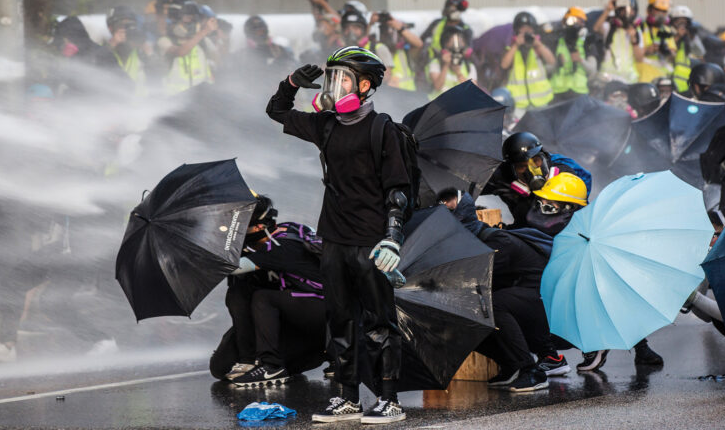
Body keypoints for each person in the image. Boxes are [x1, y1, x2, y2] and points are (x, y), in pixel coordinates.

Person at [266, 47, 409, 424]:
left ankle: (390, 399)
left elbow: (398, 189)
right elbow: (276, 111)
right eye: (332, 78)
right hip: (334, 239)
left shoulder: (383, 129)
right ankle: (348, 398)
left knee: (380, 323)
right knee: (341, 321)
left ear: (364, 85)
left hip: (371, 242)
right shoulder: (325, 124)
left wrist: (393, 236)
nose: (334, 85)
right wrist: (292, 84)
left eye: (341, 78)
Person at [526, 174, 665, 370]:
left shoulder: (589, 234)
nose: (544, 209)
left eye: (550, 205)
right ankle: (639, 351)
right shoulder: (569, 227)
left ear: (569, 208)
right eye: (543, 203)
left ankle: (597, 343)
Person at [437, 190, 565, 390]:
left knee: (491, 304)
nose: (445, 206)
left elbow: (480, 282)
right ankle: (512, 366)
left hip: (545, 300)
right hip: (524, 299)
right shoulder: (473, 242)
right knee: (466, 316)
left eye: (450, 202)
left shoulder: (496, 241)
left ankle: (531, 371)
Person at [219, 195, 327, 387]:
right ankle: (249, 361)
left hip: (324, 312)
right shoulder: (285, 228)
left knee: (264, 298)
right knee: (220, 367)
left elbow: (231, 267)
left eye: (242, 228)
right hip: (300, 311)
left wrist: (201, 255)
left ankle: (272, 366)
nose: (237, 234)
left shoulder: (279, 245)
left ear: (260, 227)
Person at [482, 132, 592, 229]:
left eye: (536, 161)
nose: (531, 169)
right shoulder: (504, 177)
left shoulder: (564, 175)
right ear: (512, 169)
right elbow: (472, 185)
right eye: (522, 166)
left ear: (544, 157)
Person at [501, 12, 556, 114]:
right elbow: (504, 65)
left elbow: (551, 61)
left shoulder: (538, 48)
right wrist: (516, 45)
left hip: (541, 103)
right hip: (519, 106)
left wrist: (538, 45)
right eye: (523, 29)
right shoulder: (511, 48)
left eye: (529, 29)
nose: (526, 32)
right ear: (517, 31)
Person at [156, 0, 215, 95]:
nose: (190, 23)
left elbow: (219, 58)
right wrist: (204, 31)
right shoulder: (164, 41)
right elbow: (181, 52)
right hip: (175, 101)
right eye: (187, 19)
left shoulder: (203, 41)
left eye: (193, 19)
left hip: (201, 100)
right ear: (174, 20)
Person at [94, 6, 149, 96]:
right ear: (111, 28)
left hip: (141, 107)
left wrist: (147, 50)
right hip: (112, 106)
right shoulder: (102, 49)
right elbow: (91, 68)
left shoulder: (139, 49)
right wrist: (112, 44)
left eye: (130, 26)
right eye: (122, 25)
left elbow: (159, 72)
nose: (126, 30)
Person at [550, 7, 597, 102]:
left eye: (579, 21)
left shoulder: (587, 42)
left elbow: (593, 70)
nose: (576, 24)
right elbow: (546, 69)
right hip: (558, 93)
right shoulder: (556, 41)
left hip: (579, 93)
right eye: (572, 20)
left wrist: (581, 60)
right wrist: (557, 63)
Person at [594, 0, 644, 84]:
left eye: (630, 10)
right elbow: (596, 28)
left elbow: (640, 58)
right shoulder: (610, 27)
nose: (627, 13)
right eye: (623, 10)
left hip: (629, 79)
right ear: (618, 11)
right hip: (608, 77)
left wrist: (634, 39)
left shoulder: (637, 32)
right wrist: (608, 10)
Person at [373, 11, 423, 91]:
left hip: (410, 99)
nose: (389, 33)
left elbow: (419, 44)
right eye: (385, 30)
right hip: (387, 99)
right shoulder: (376, 52)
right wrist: (371, 24)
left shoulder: (405, 53)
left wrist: (399, 28)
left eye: (393, 31)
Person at [427, 25, 477, 99]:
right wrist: (446, 65)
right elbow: (437, 86)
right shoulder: (436, 63)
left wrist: (458, 73)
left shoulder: (469, 67)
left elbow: (473, 91)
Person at [420, 0, 472, 64]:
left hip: (454, 65)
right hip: (433, 62)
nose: (450, 10)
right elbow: (422, 40)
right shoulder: (437, 23)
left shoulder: (466, 29)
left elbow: (468, 50)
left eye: (454, 8)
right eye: (449, 7)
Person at [636, 0, 676, 83]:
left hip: (663, 80)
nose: (661, 14)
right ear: (649, 10)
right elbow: (635, 54)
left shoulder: (667, 31)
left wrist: (666, 51)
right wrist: (647, 50)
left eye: (664, 11)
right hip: (644, 78)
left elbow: (673, 55)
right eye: (657, 10)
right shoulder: (640, 28)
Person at [669, 6, 704, 93]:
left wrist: (692, 36)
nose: (682, 26)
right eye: (679, 22)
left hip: (685, 87)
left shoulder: (687, 39)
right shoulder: (667, 35)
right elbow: (668, 53)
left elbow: (700, 53)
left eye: (685, 23)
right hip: (668, 84)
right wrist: (677, 36)